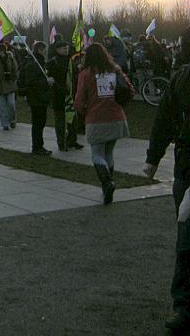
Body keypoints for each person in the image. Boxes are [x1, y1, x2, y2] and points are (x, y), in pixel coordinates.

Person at [142, 26, 190, 334]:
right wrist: (152, 157)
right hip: (188, 171)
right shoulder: (182, 80)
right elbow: (164, 120)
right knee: (186, 242)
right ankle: (184, 306)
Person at [74, 43, 134, 205]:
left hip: (96, 119)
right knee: (109, 153)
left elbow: (79, 101)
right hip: (116, 117)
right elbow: (130, 89)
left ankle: (107, 183)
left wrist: (81, 111)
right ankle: (108, 184)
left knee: (96, 154)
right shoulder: (115, 70)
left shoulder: (86, 74)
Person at [20, 41, 53, 155]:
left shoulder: (40, 62)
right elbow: (31, 82)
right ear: (39, 50)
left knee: (41, 122)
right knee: (38, 123)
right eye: (44, 50)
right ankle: (37, 147)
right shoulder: (33, 63)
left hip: (41, 97)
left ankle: (39, 145)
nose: (46, 52)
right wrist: (46, 82)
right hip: (36, 97)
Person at [48, 41, 74, 151]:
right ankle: (62, 143)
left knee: (72, 118)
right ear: (58, 49)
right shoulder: (53, 62)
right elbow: (52, 80)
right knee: (60, 121)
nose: (66, 50)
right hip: (58, 95)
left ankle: (72, 140)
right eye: (64, 48)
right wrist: (61, 89)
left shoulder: (69, 61)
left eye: (67, 48)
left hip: (70, 95)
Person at [0, 42, 18, 131]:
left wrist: (14, 79)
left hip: (9, 84)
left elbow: (15, 69)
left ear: (2, 50)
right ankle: (5, 123)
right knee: (2, 106)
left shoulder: (10, 59)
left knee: (11, 104)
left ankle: (12, 120)